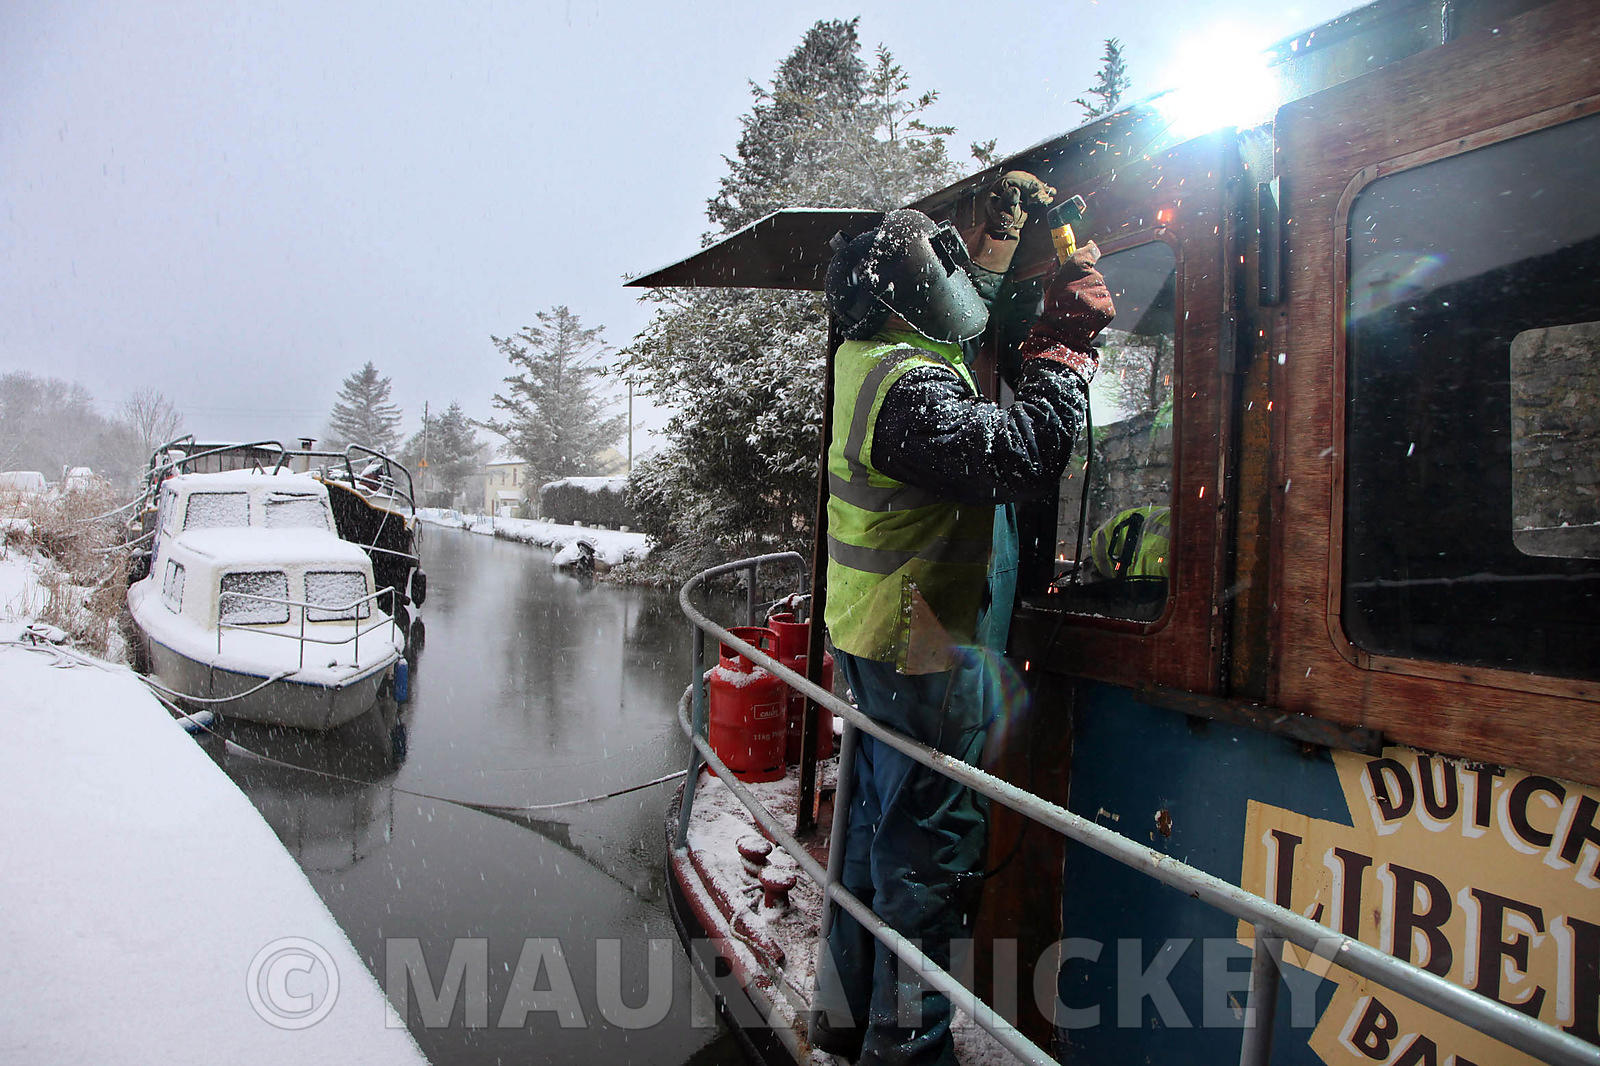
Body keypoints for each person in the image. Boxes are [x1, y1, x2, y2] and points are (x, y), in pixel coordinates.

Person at [810, 175, 1116, 1065]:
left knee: (873, 831)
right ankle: (905, 1054)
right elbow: (1025, 455)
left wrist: (992, 243)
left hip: (876, 634)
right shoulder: (910, 390)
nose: (959, 291)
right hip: (920, 648)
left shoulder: (871, 348)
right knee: (929, 856)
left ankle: (845, 1014)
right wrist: (1062, 354)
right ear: (912, 295)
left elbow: (957, 311)